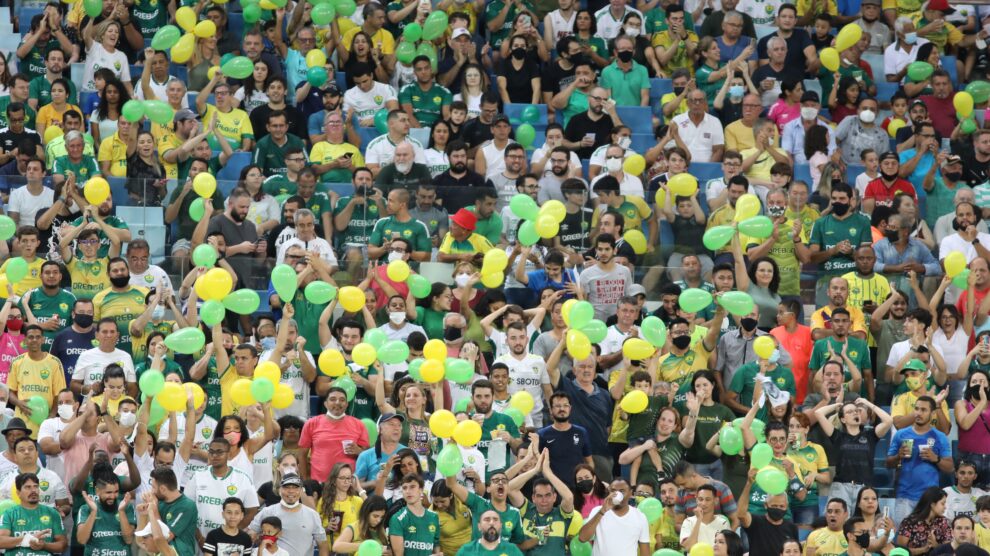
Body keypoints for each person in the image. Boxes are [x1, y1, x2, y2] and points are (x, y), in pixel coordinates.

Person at [886, 396, 955, 523]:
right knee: (902, 538)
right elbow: (888, 463)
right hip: (904, 495)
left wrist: (936, 459)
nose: (918, 413)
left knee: (928, 538)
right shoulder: (901, 434)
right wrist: (898, 456)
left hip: (929, 498)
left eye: (923, 410)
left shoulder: (940, 437)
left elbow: (950, 467)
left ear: (932, 413)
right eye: (916, 409)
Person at [248, 473, 329, 556]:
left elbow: (323, 545)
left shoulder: (312, 515)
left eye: (295, 487)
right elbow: (249, 537)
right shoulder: (267, 512)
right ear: (279, 490)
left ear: (301, 490)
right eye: (286, 487)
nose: (291, 491)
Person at [577, 477, 651, 556]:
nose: (617, 494)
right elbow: (582, 538)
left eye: (622, 491)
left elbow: (645, 552)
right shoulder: (597, 511)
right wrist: (602, 511)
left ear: (630, 493)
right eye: (613, 491)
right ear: (609, 492)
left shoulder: (640, 517)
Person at [391, 474, 442, 555]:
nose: (408, 491)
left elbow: (436, 546)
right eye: (404, 488)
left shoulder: (434, 517)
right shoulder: (397, 518)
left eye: (412, 487)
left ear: (421, 490)